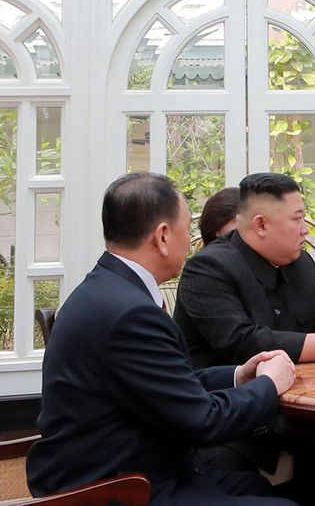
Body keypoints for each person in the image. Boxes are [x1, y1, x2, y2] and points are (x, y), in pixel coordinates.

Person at [27, 173, 296, 505]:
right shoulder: (130, 313)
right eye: (188, 230)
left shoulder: (109, 289)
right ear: (163, 236)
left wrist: (237, 375)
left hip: (128, 467)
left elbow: (167, 383)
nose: (191, 241)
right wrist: (270, 384)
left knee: (256, 488)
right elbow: (204, 421)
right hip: (118, 487)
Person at [174, 172, 315, 506]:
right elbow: (243, 342)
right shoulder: (208, 269)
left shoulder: (299, 262)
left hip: (297, 409)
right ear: (261, 225)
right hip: (229, 418)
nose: (306, 230)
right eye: (298, 219)